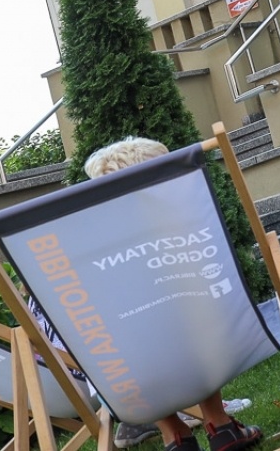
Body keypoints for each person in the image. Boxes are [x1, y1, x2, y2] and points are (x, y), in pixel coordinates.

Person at [81, 138, 262, 451]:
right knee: (194, 319)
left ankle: (174, 436)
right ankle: (220, 425)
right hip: (200, 348)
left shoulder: (97, 255)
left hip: (129, 371)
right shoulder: (179, 236)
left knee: (139, 342)